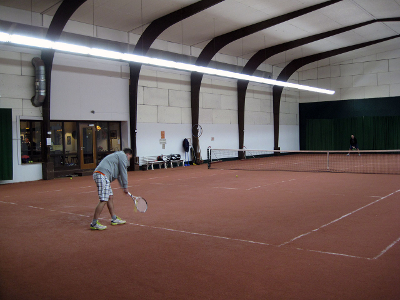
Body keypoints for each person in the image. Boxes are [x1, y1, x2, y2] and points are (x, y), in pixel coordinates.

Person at [90, 148, 133, 230]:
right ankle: (94, 223)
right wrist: (125, 186)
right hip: (101, 174)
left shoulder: (118, 156)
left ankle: (114, 219)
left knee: (110, 197)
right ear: (128, 154)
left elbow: (119, 175)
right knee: (103, 199)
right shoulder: (122, 156)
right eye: (129, 158)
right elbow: (124, 171)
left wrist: (123, 187)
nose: (128, 160)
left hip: (103, 175)